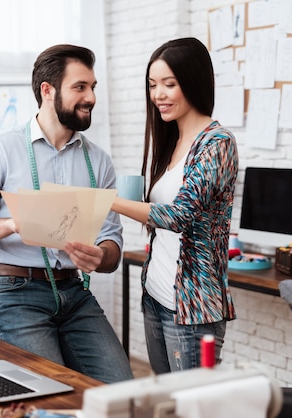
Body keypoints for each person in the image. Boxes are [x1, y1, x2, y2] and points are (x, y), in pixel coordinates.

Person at [0, 44, 134, 384]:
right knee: (48, 394)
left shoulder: (99, 161)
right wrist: (13, 223)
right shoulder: (3, 149)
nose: (91, 97)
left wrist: (101, 256)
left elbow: (112, 243)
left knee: (121, 392)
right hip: (13, 292)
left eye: (93, 87)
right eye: (80, 87)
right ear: (47, 91)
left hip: (75, 294)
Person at [111, 37, 238, 374]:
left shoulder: (217, 142)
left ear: (193, 82)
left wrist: (112, 202)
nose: (158, 95)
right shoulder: (172, 139)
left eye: (169, 84)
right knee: (166, 405)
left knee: (192, 407)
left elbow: (179, 216)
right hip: (155, 295)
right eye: (153, 85)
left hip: (191, 309)